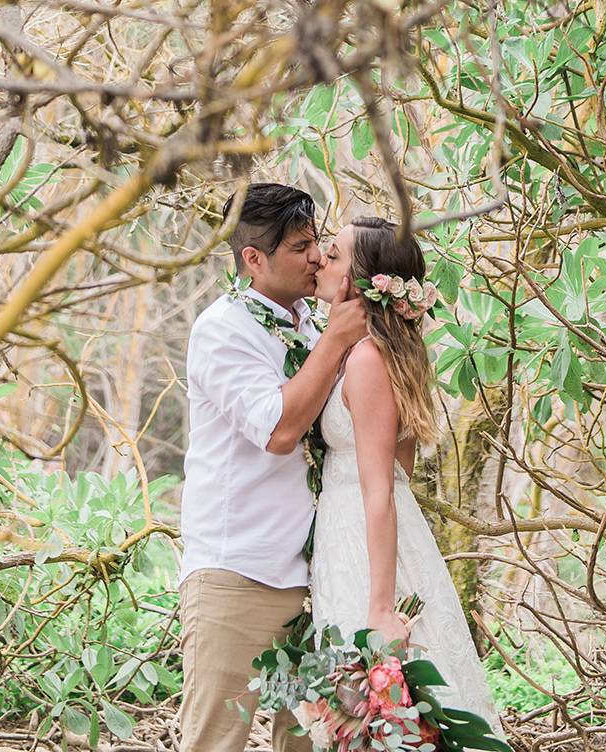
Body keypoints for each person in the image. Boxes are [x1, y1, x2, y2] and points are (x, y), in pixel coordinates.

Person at [177, 183, 367, 752]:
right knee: (216, 742)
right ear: (253, 260)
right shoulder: (222, 330)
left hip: (319, 577)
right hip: (239, 572)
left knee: (310, 743)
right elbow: (279, 430)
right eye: (298, 247)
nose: (316, 256)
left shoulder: (311, 323)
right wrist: (335, 340)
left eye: (317, 242)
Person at [310, 215, 503, 734]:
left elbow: (381, 486)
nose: (320, 262)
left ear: (360, 282)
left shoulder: (370, 360)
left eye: (333, 254)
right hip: (357, 530)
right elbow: (402, 471)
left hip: (362, 537)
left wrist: (379, 607)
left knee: (383, 708)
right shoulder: (379, 352)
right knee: (371, 718)